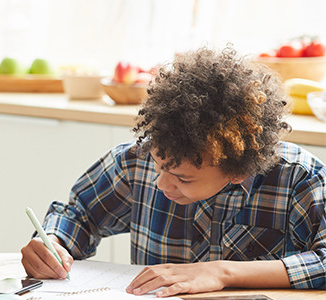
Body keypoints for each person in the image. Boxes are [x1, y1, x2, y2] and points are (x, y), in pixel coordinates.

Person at [21, 46, 326, 297]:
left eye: (183, 178)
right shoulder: (135, 161)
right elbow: (79, 216)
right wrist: (52, 241)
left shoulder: (299, 179)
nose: (162, 182)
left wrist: (221, 271)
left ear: (237, 171)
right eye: (159, 164)